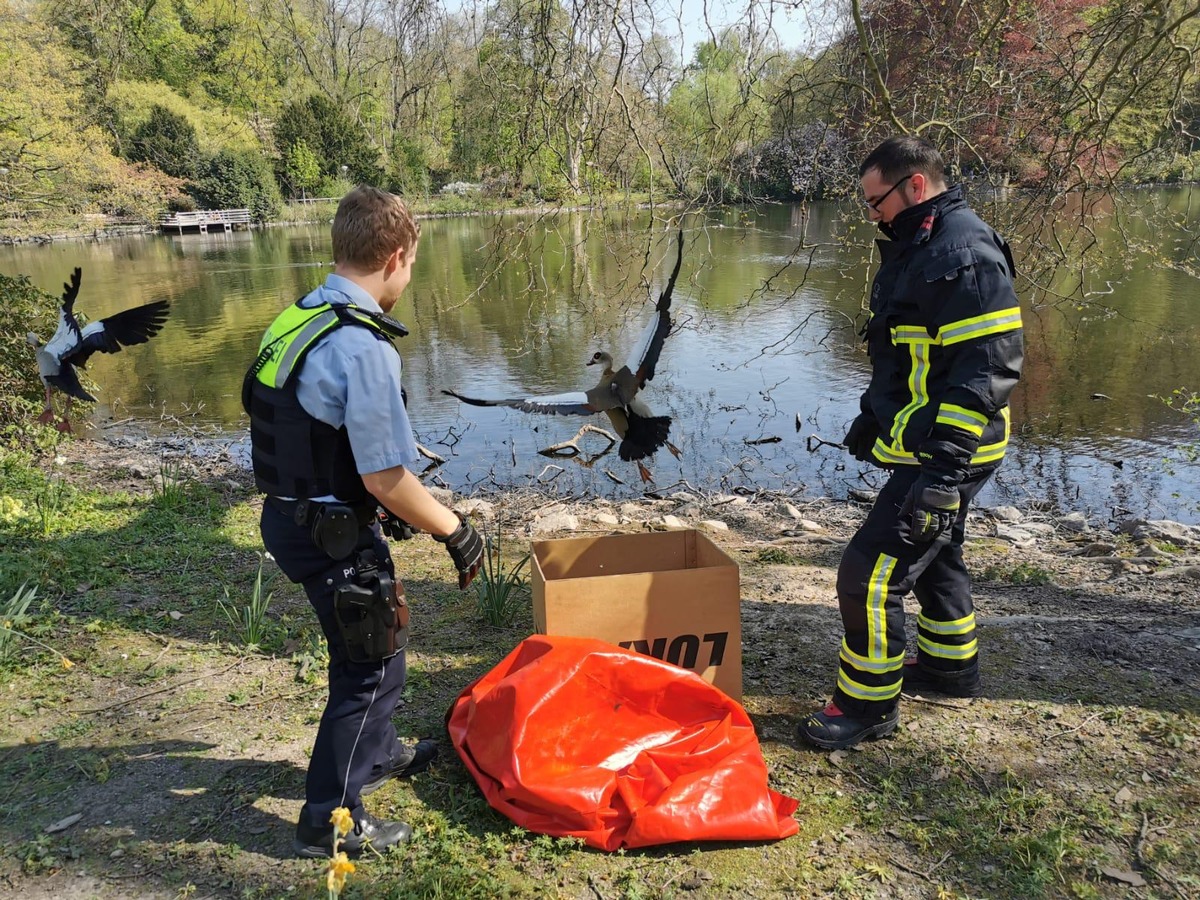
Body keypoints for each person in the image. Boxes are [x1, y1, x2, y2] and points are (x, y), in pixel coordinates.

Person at [242, 185, 484, 856]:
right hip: (330, 532)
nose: (410, 278)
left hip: (292, 514)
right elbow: (388, 477)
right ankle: (329, 821)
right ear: (397, 256)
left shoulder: (297, 318)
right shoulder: (363, 347)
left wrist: (368, 501)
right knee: (367, 670)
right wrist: (452, 528)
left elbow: (305, 434)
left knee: (380, 644)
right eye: (412, 266)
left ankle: (376, 755)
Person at [798, 136, 1024, 750]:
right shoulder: (920, 244)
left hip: (953, 449)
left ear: (916, 186)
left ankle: (867, 707)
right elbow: (906, 351)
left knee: (869, 572)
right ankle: (952, 669)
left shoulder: (964, 252)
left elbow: (986, 371)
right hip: (930, 445)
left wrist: (944, 474)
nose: (873, 214)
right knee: (938, 552)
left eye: (877, 202)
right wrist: (875, 417)